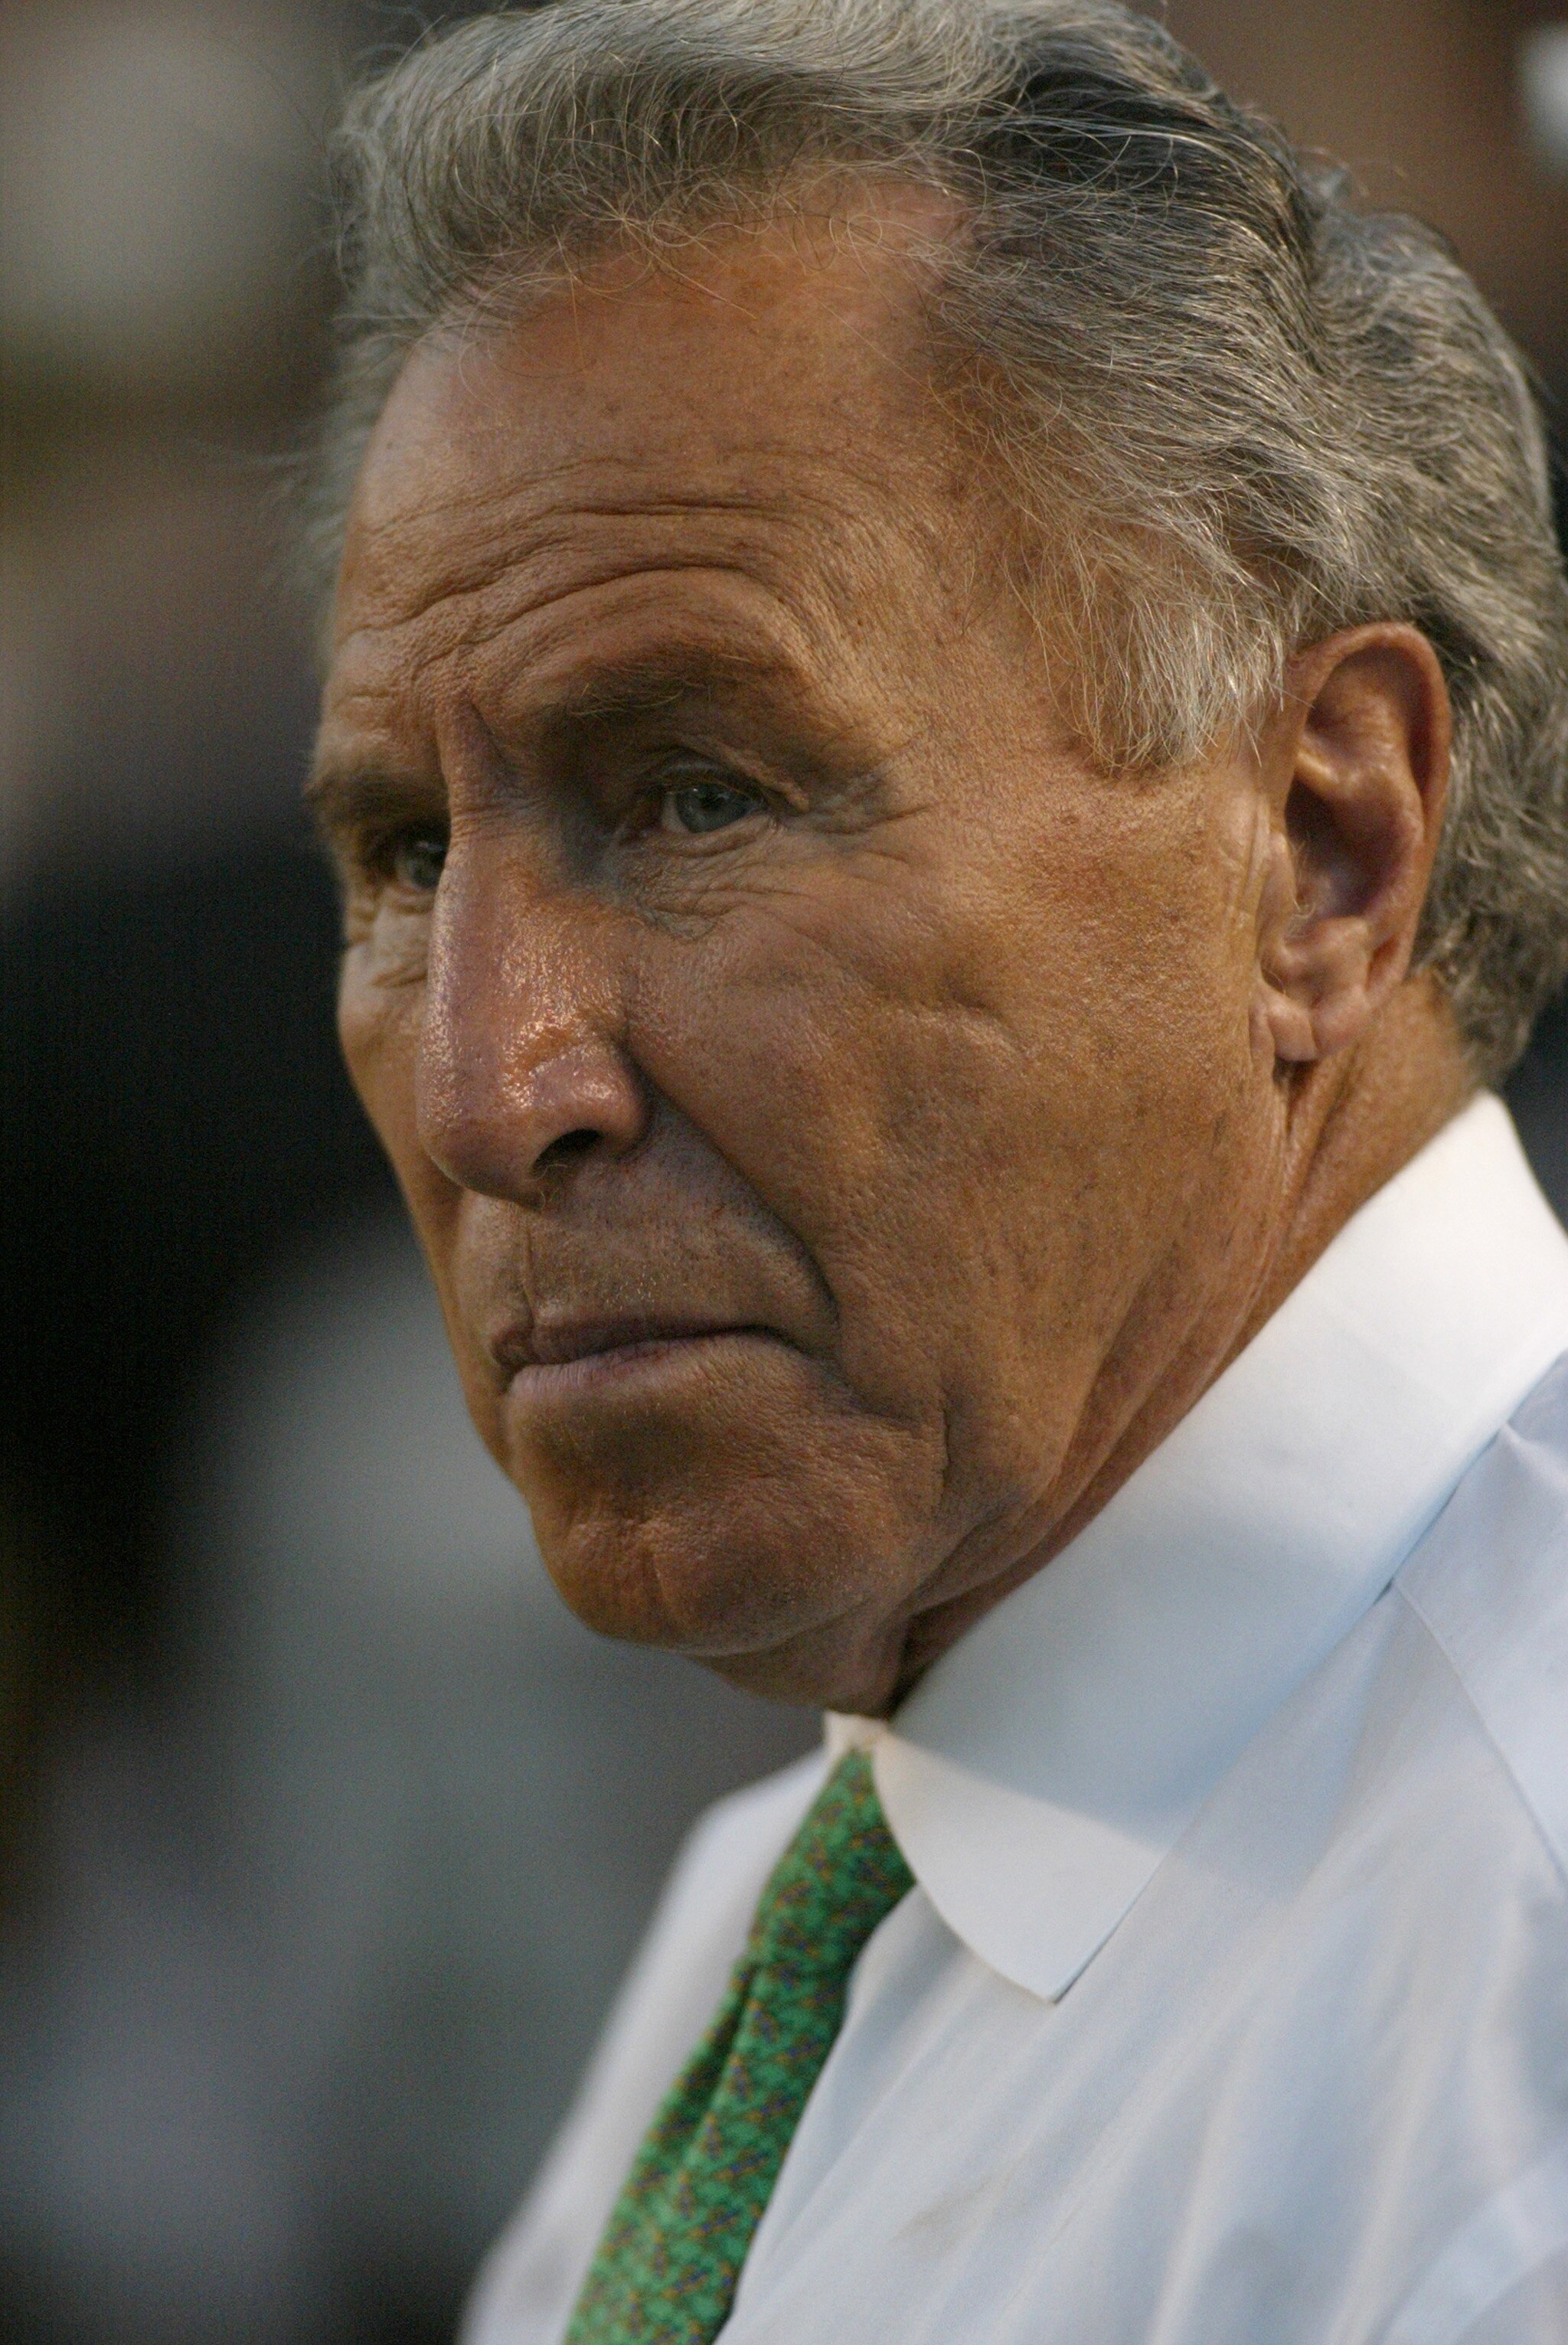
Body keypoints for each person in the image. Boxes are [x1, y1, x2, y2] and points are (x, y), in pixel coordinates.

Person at [302, 4, 1568, 2337]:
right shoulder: (797, 1921)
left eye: (697, 797)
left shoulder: (1508, 1983)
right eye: (401, 858)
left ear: (1321, 847)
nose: (495, 1087)